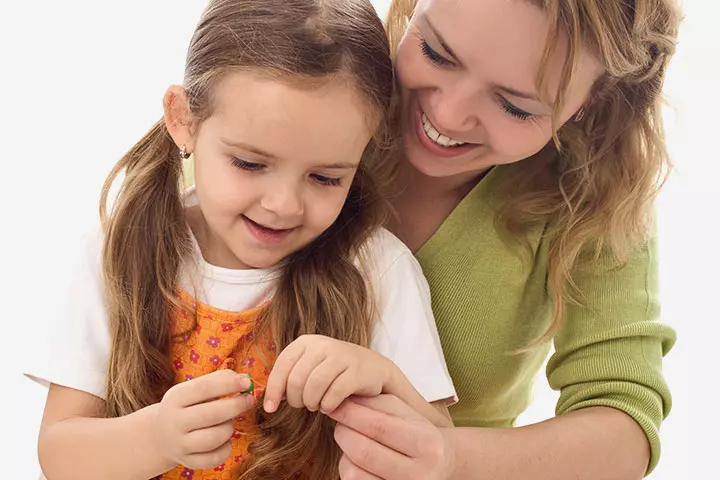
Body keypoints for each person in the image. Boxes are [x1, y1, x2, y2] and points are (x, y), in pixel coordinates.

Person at [26, 1, 457, 479]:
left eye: (325, 178)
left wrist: (383, 379)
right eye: (250, 164)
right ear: (183, 120)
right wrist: (155, 438)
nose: (283, 204)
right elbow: (60, 455)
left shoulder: (377, 269)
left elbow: (439, 452)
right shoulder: (118, 251)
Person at [326, 0, 681, 479]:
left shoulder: (594, 196)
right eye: (435, 52)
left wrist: (449, 458)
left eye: (515, 106)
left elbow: (624, 428)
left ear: (592, 101)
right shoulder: (318, 74)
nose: (449, 115)